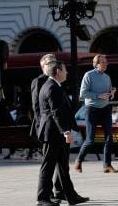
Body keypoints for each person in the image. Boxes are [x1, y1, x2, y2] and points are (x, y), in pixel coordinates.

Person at [36, 60, 89, 206]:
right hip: (53, 133)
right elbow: (56, 112)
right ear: (58, 71)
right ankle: (42, 199)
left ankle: (71, 196)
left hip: (55, 132)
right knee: (48, 166)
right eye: (65, 70)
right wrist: (66, 131)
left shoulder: (54, 86)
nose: (67, 73)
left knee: (62, 167)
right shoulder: (52, 87)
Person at [74, 54, 118, 174]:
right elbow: (82, 94)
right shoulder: (88, 75)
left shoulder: (107, 77)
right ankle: (78, 160)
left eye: (106, 62)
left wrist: (112, 92)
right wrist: (98, 96)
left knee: (109, 138)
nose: (106, 64)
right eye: (103, 62)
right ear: (96, 64)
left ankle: (107, 165)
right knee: (90, 140)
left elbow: (108, 92)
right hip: (92, 109)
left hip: (105, 109)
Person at [30, 54, 64, 199]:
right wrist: (40, 128)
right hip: (46, 127)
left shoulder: (56, 79)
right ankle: (47, 192)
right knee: (49, 162)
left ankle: (60, 190)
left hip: (58, 127)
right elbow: (37, 107)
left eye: (54, 62)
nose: (53, 64)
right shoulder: (39, 81)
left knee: (61, 161)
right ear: (42, 65)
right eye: (50, 62)